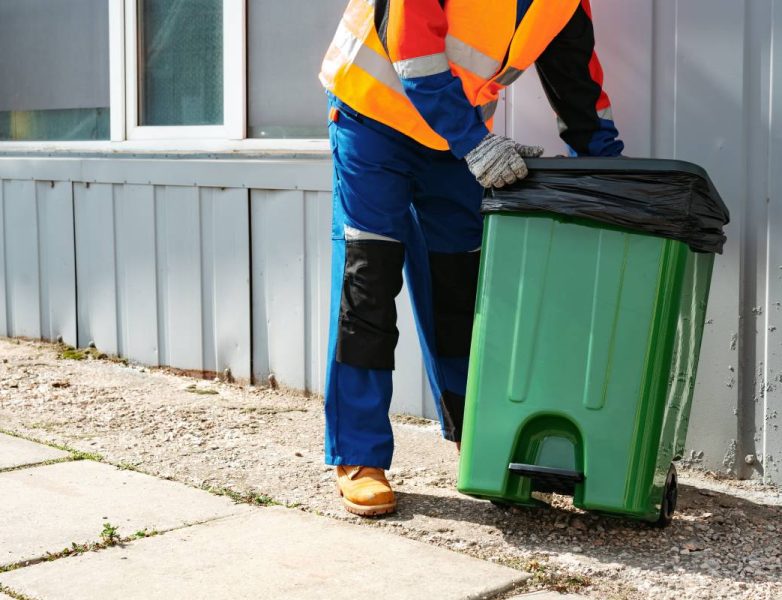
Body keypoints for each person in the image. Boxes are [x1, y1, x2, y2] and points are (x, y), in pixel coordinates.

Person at [319, 0, 624, 516]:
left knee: (462, 285)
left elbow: (578, 88)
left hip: (452, 139)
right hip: (373, 118)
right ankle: (359, 456)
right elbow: (413, 50)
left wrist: (612, 179)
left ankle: (477, 443)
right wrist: (476, 143)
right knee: (368, 280)